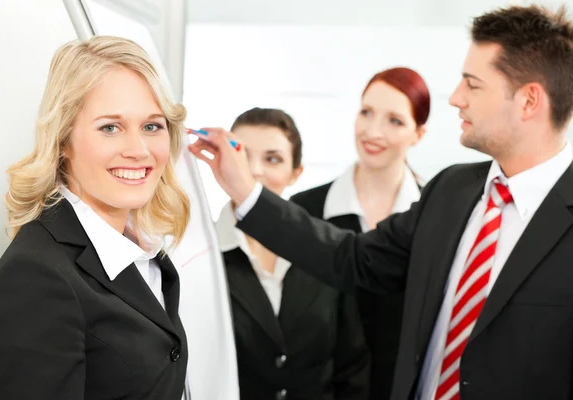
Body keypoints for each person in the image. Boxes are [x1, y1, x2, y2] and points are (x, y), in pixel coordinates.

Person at [189, 4, 573, 400]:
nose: (456, 98)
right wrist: (246, 193)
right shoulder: (450, 191)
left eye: (473, 85)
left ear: (529, 101)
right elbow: (353, 258)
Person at [0, 36, 191, 400]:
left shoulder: (141, 249)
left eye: (152, 126)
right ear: (63, 140)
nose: (138, 150)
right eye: (110, 127)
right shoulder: (35, 277)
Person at [290, 67, 429, 400]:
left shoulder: (434, 216)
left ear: (418, 134)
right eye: (366, 112)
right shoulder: (305, 209)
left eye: (394, 120)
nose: (372, 131)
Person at [216, 107, 370, 399]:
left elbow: (352, 365)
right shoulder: (199, 255)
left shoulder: (325, 253)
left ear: (295, 173)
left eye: (272, 158)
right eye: (243, 156)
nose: (256, 170)